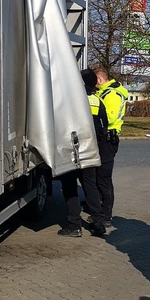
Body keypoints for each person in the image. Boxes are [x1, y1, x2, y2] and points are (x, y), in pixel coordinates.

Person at [58, 69, 109, 238]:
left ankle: (74, 225)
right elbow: (103, 128)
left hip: (71, 150)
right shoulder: (97, 100)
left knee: (70, 187)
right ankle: (99, 223)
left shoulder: (70, 99)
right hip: (90, 150)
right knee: (90, 185)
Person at [93, 68, 129, 226]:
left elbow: (109, 117)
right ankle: (100, 207)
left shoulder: (112, 94)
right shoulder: (104, 92)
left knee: (103, 178)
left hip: (108, 138)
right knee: (98, 176)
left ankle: (106, 214)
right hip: (104, 138)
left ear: (99, 80)